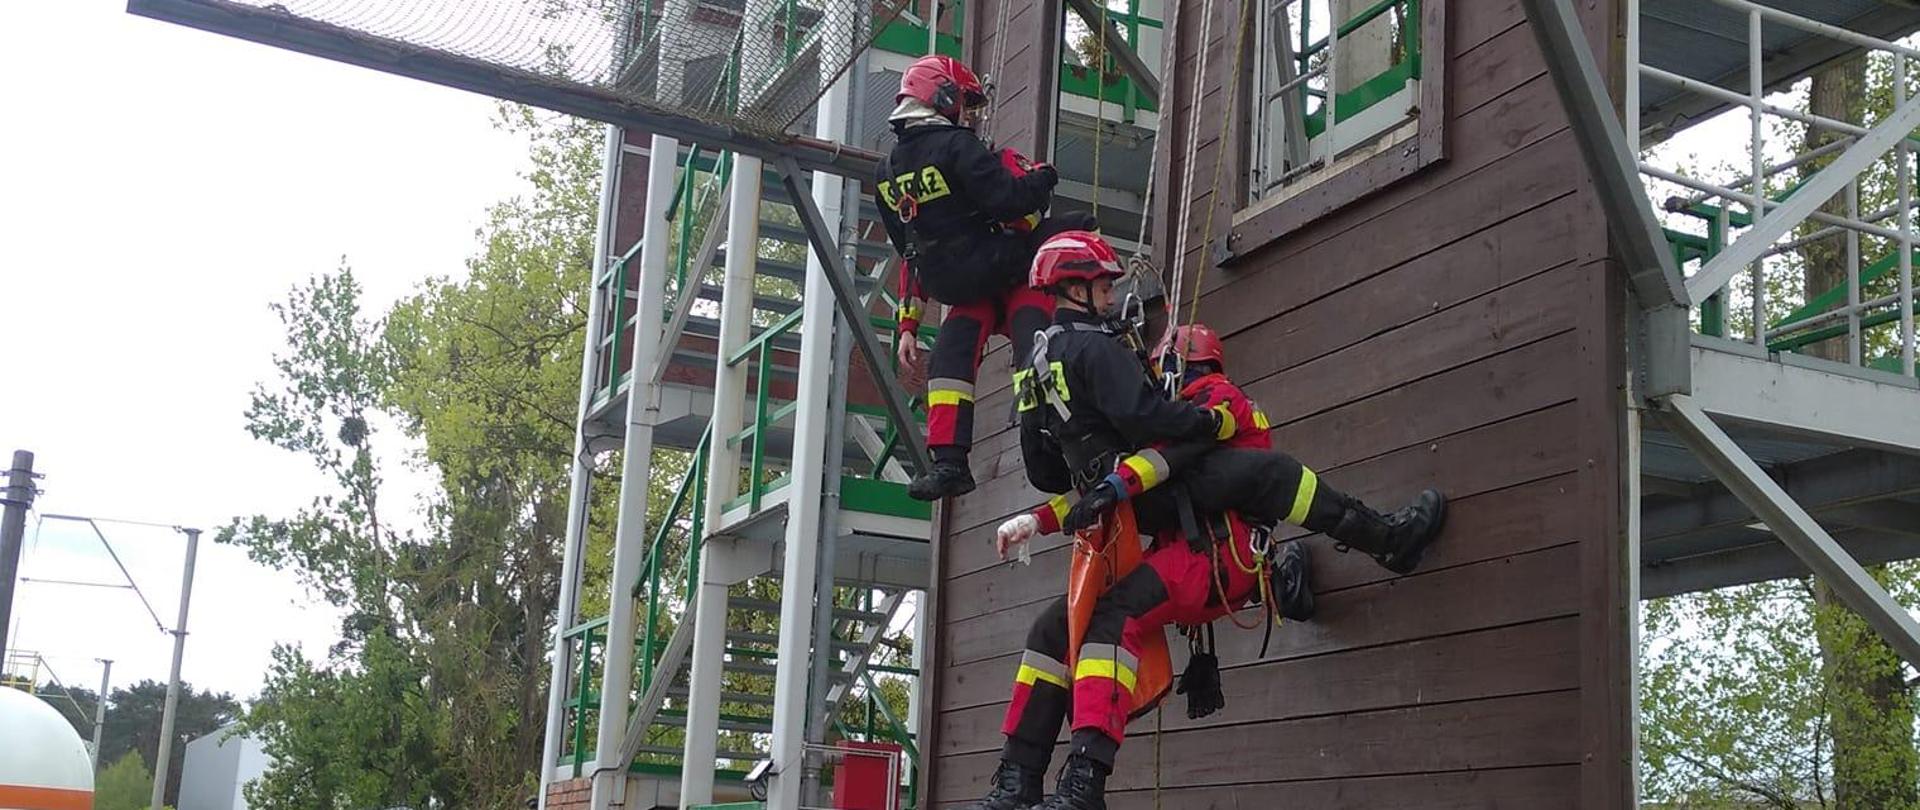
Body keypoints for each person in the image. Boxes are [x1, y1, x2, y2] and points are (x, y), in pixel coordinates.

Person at [969, 231, 1446, 810]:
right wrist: (1053, 515)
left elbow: (1125, 468)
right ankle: (1020, 779)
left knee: (1116, 612)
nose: (1111, 301)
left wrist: (1070, 504)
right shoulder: (1122, 374)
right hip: (1192, 548)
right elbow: (1140, 453)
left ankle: (1078, 780)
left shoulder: (1193, 397)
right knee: (1054, 631)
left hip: (1216, 553)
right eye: (1101, 286)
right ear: (1075, 287)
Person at [874, 54, 1099, 502]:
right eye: (965, 102)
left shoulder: (888, 173)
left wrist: (907, 327)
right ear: (942, 96)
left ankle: (969, 457)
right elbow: (1012, 202)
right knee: (1026, 349)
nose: (970, 115)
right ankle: (975, 458)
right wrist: (1044, 179)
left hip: (968, 285)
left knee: (958, 361)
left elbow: (912, 253)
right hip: (1005, 271)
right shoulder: (964, 150)